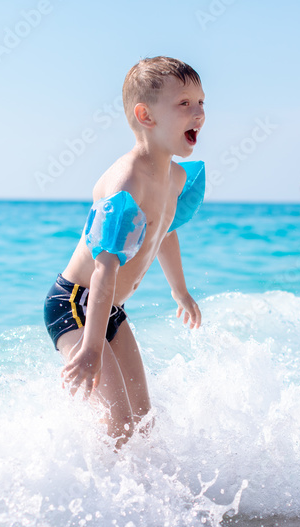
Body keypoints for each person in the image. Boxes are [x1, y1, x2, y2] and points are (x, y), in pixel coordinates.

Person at [43, 56, 207, 448]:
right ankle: (89, 498)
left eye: (202, 102)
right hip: (74, 303)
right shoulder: (126, 184)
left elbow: (164, 232)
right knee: (117, 424)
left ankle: (144, 504)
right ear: (145, 115)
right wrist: (91, 349)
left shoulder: (175, 177)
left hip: (106, 307)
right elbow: (103, 270)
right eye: (184, 103)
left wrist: (179, 290)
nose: (199, 113)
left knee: (142, 422)